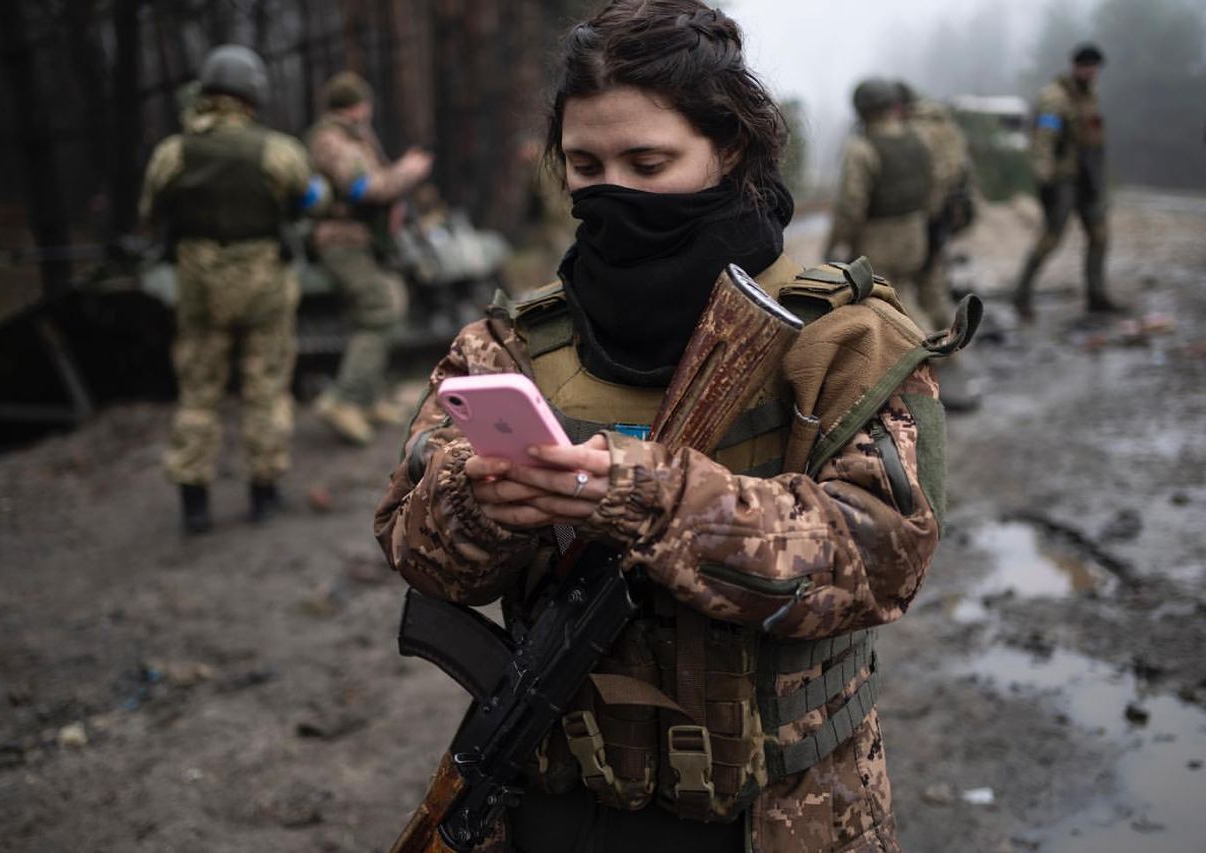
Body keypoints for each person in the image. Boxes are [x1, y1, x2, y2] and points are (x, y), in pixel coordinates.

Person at [376, 2, 964, 850]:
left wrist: (648, 496)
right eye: (586, 165)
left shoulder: (841, 339)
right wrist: (479, 504)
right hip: (554, 805)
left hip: (781, 816)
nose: (613, 189)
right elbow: (412, 540)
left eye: (648, 163)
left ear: (729, 149)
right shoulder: (514, 344)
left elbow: (882, 559)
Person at [139, 45, 328, 533]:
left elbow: (149, 214)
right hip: (264, 285)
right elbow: (310, 199)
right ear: (253, 94)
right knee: (265, 388)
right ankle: (263, 494)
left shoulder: (173, 153)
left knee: (198, 393)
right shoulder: (277, 151)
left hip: (199, 289)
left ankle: (194, 503)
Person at [306, 71, 434, 445]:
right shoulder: (331, 140)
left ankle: (367, 397)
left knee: (390, 303)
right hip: (342, 241)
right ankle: (343, 400)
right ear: (357, 106)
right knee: (379, 309)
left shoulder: (354, 137)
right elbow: (362, 187)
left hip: (365, 242)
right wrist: (406, 173)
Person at [1013, 43, 1117, 321]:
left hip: (1088, 178)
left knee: (1100, 236)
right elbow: (1044, 141)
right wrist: (1045, 178)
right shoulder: (1055, 98)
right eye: (1086, 66)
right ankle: (1021, 294)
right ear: (1075, 67)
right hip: (1063, 179)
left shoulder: (1090, 94)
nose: (1091, 72)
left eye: (1094, 67)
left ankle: (1096, 295)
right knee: (1051, 238)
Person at [899, 81, 981, 412]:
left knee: (910, 290)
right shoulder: (947, 126)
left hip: (923, 218)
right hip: (947, 216)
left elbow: (920, 180)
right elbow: (964, 175)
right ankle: (953, 354)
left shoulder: (914, 131)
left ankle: (936, 362)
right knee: (934, 289)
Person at [824, 79, 933, 324]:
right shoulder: (918, 140)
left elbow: (850, 205)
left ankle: (925, 345)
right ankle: (933, 342)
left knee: (884, 310)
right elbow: (931, 187)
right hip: (915, 236)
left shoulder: (861, 148)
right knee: (903, 296)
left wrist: (836, 243)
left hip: (878, 242)